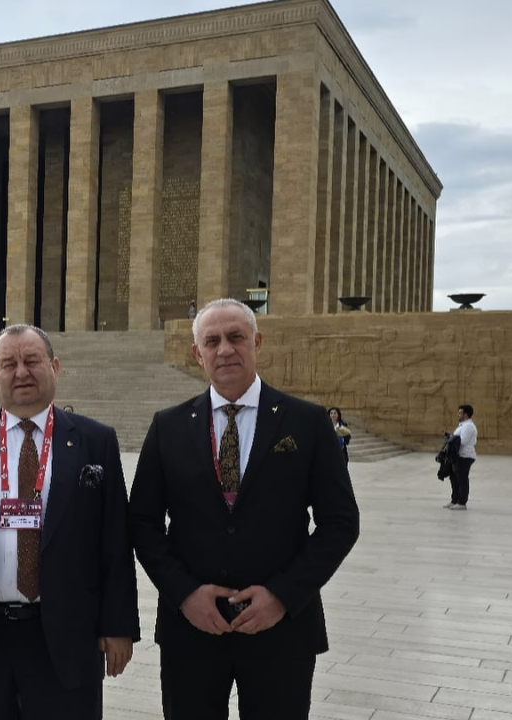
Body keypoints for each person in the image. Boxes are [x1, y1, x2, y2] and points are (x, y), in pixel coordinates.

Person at [128, 298, 360, 720]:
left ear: (257, 342)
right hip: (192, 631)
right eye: (212, 341)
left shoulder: (306, 422)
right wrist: (184, 594)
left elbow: (340, 522)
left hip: (281, 630)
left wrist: (282, 595)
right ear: (197, 353)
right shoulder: (168, 427)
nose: (225, 350)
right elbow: (142, 522)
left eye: (236, 337)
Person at [0, 324, 139, 719]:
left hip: (65, 634)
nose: (21, 372)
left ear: (55, 367)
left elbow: (114, 542)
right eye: (9, 364)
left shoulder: (94, 440)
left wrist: (118, 626)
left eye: (32, 361)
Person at [447, 404, 478, 510]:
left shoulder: (468, 426)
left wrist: (452, 439)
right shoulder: (463, 425)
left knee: (462, 479)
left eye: (460, 413)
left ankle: (462, 502)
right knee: (455, 479)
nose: (458, 415)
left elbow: (462, 441)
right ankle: (455, 500)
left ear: (465, 414)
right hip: (458, 456)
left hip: (465, 456)